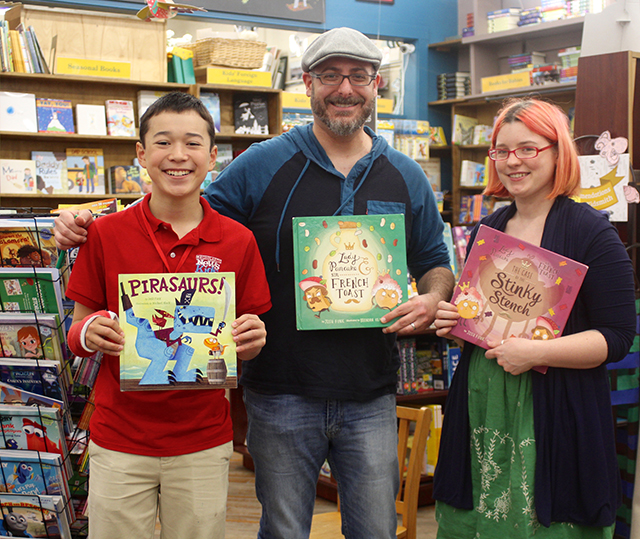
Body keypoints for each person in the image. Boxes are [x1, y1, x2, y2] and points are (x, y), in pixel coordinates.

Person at [54, 27, 455, 539]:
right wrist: (93, 224)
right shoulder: (262, 163)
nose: (345, 88)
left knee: (376, 528)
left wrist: (432, 295)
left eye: (358, 76)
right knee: (283, 530)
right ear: (307, 84)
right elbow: (180, 203)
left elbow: (434, 259)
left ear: (377, 85)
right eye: (330, 75)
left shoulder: (405, 173)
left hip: (370, 392)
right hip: (280, 390)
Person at [64, 92, 271, 539]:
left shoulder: (238, 241)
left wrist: (255, 337)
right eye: (163, 142)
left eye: (193, 143)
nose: (178, 156)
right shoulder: (104, 233)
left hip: (202, 441)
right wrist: (89, 332)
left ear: (213, 156)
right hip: (118, 439)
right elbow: (74, 331)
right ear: (141, 153)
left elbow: (249, 334)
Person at [432, 97, 637, 538]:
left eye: (528, 148)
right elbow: (482, 322)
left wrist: (537, 352)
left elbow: (618, 336)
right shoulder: (492, 227)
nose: (513, 161)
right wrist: (455, 325)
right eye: (502, 151)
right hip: (482, 404)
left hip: (554, 407)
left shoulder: (591, 232)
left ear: (558, 152)